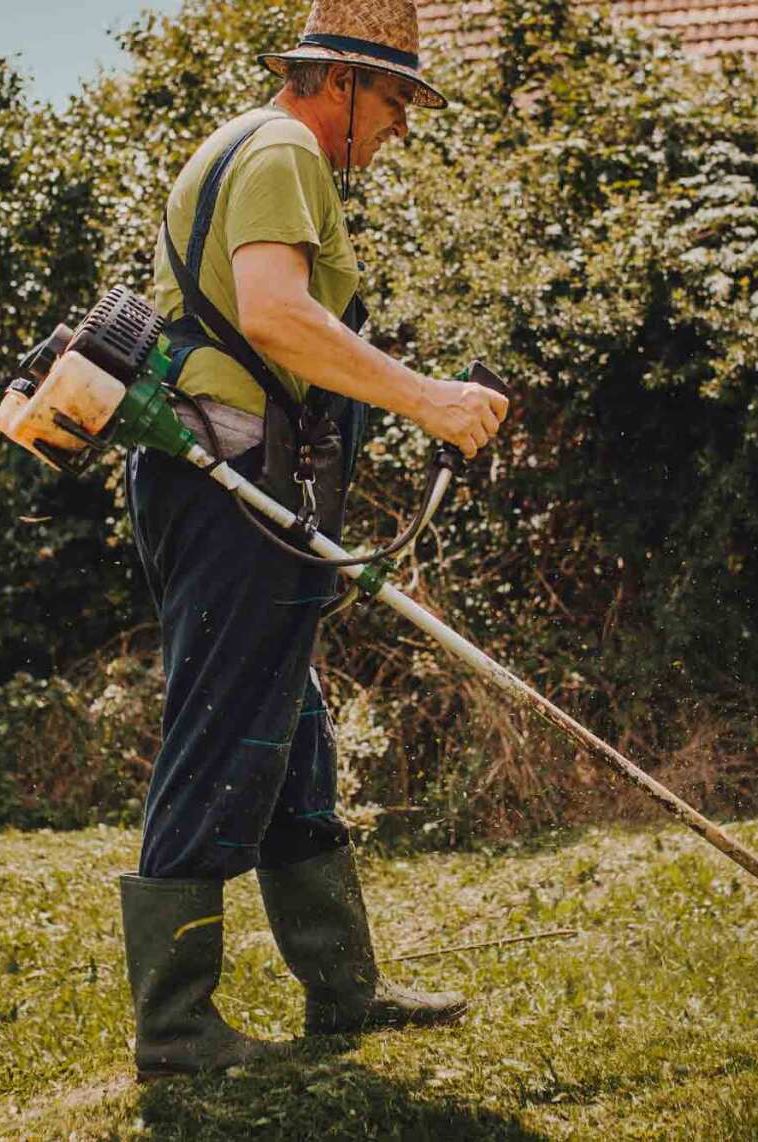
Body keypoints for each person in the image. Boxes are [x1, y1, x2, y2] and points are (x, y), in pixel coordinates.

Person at [118, 0, 510, 1080]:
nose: (399, 125)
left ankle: (344, 989)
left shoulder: (261, 149)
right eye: (392, 100)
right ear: (335, 82)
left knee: (289, 729)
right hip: (228, 476)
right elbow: (277, 315)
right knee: (223, 722)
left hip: (230, 475)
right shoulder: (287, 146)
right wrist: (430, 399)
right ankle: (179, 1032)